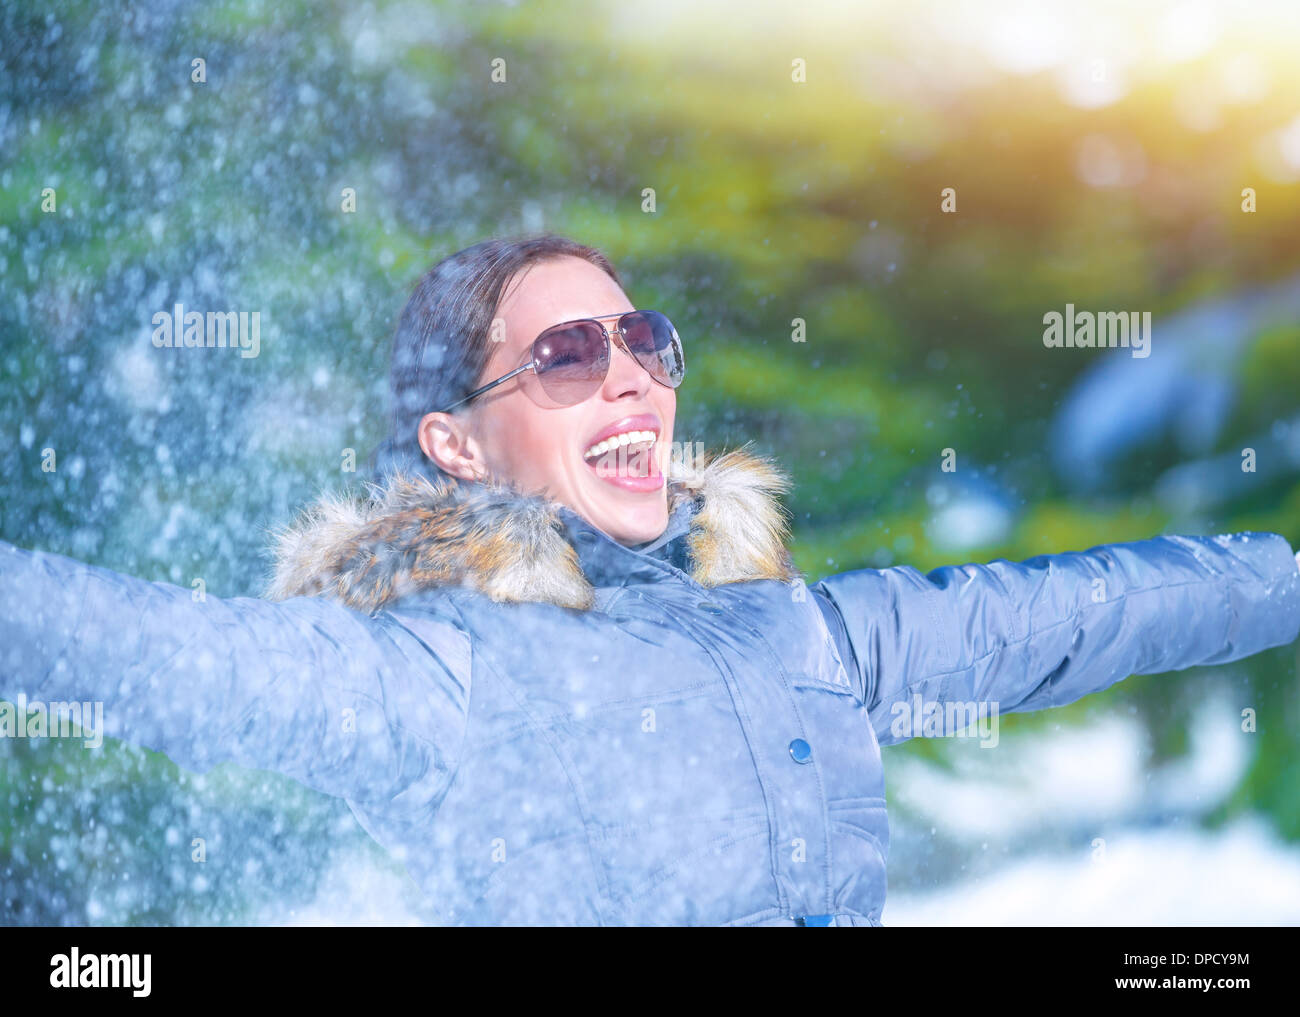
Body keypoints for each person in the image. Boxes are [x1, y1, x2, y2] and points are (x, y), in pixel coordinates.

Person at [3, 233, 1299, 927]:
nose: (629, 373)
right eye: (564, 355)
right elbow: (133, 645)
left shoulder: (806, 631)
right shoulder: (425, 678)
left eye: (643, 339)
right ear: (455, 443)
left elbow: (1096, 605)